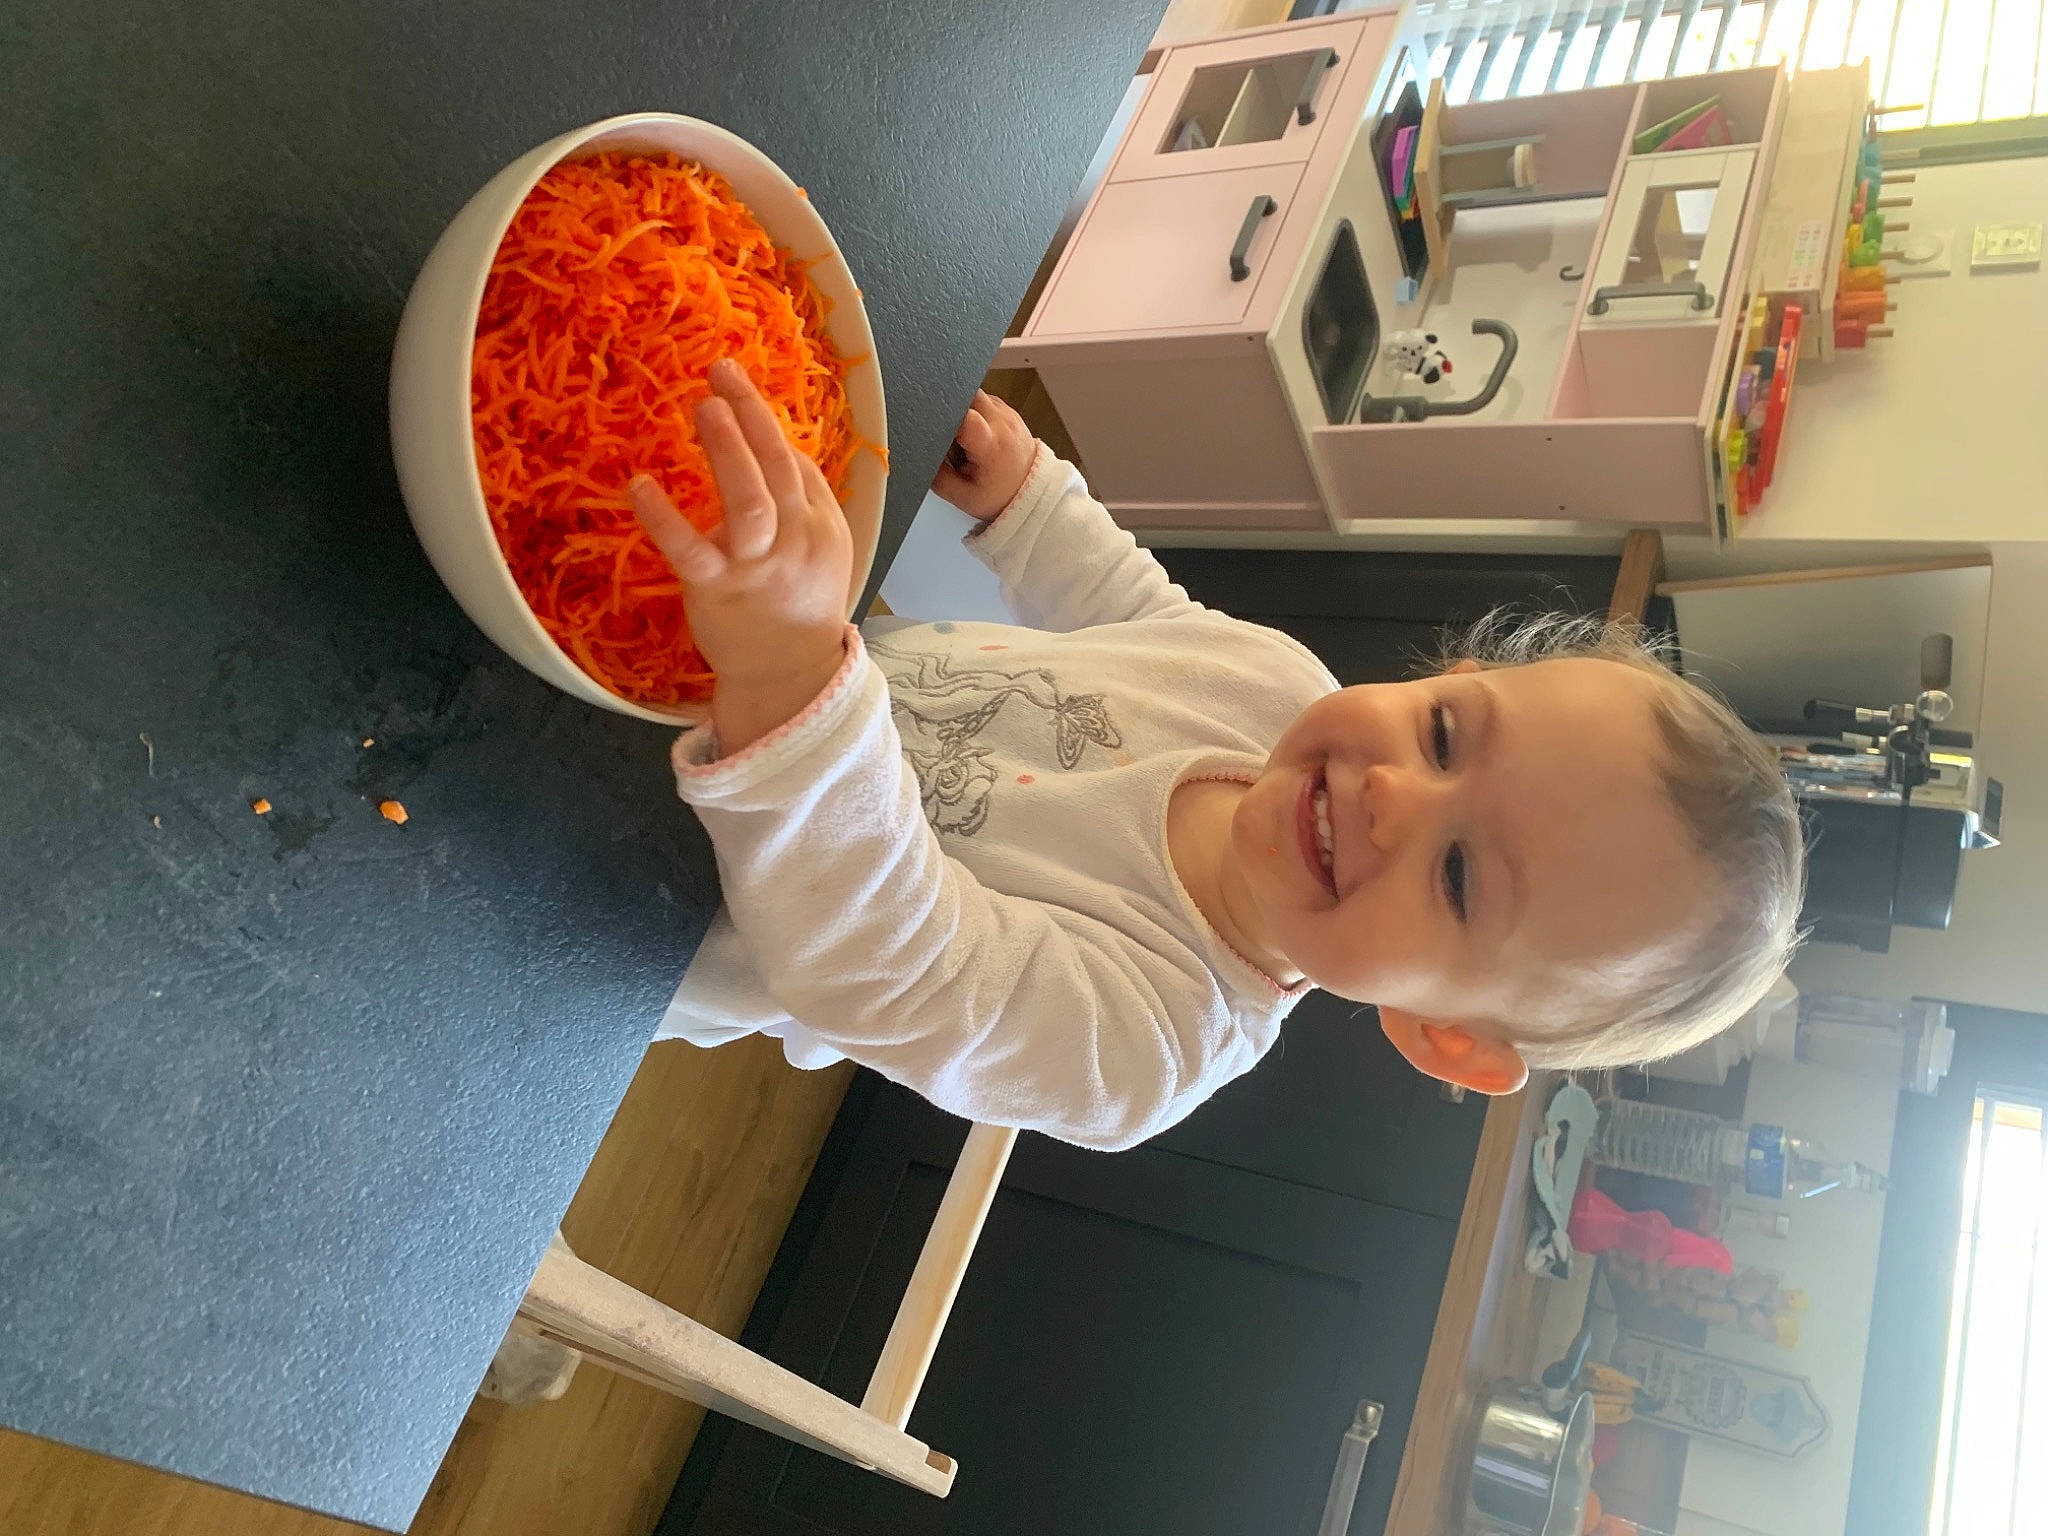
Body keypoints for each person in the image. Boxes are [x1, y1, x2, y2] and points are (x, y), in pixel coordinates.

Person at [627, 359, 1804, 1152]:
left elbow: (891, 972)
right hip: (708, 678)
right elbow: (1135, 608)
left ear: (1444, 1034)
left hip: (609, 910)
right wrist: (1029, 503)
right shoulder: (1277, 687)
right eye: (1445, 736)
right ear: (1451, 677)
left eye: (1456, 878)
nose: (1395, 792)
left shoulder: (1146, 1045)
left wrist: (789, 679)